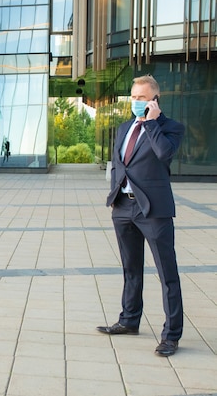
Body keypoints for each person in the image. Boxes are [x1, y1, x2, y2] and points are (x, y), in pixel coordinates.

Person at [97, 75, 185, 357]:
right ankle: (129, 320)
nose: (136, 102)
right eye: (133, 97)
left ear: (155, 101)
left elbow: (163, 154)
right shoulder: (124, 128)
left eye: (142, 98)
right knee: (130, 269)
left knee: (167, 274)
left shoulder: (170, 128)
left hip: (154, 210)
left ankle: (171, 336)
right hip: (124, 207)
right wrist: (114, 195)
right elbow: (117, 163)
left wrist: (150, 123)